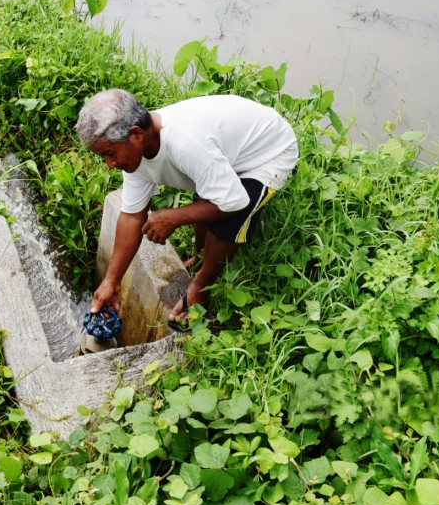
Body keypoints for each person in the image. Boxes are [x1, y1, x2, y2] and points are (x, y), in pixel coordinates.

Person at [75, 89, 298, 327]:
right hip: (224, 151)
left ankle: (202, 285)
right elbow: (131, 216)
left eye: (109, 154)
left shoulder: (185, 143)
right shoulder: (136, 155)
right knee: (206, 197)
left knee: (228, 218)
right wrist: (111, 280)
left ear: (136, 134)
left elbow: (235, 201)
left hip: (266, 155)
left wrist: (174, 217)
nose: (109, 164)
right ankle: (201, 256)